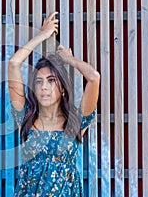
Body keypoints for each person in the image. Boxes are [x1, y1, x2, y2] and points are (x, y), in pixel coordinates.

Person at [8, 12, 100, 196]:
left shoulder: (75, 121)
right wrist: (42, 35)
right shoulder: (24, 116)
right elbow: (13, 64)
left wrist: (69, 60)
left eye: (51, 80)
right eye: (39, 81)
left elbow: (94, 78)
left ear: (63, 88)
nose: (44, 87)